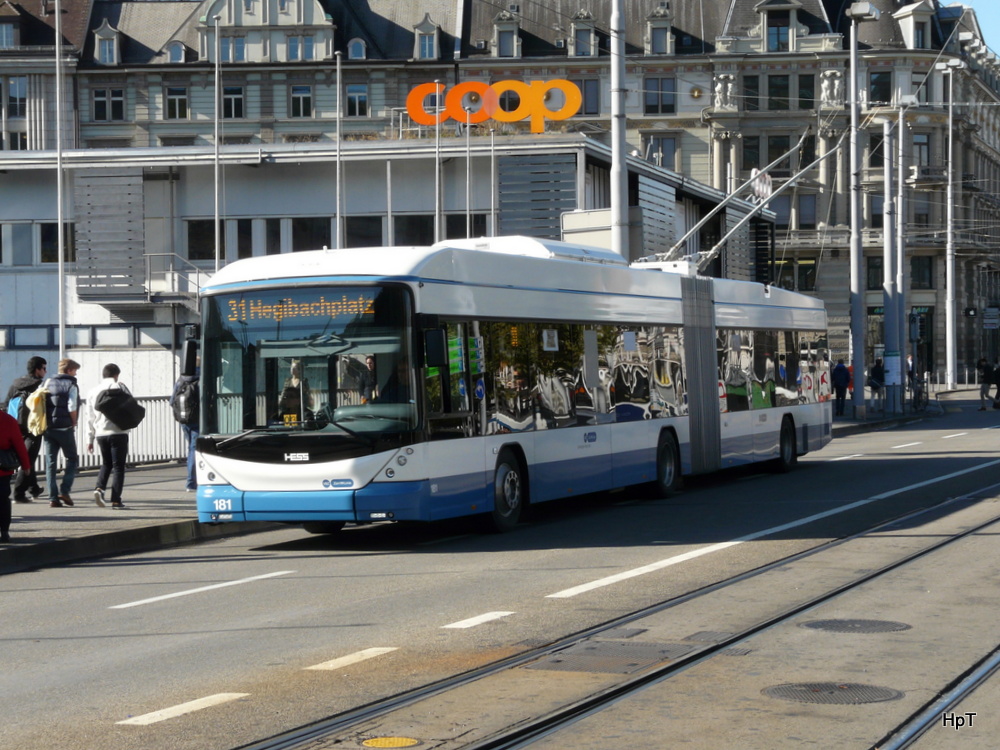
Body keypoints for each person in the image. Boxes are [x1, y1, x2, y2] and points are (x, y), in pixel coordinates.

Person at [86, 364, 132, 509]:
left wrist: (90, 439)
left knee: (106, 463)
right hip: (119, 432)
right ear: (117, 375)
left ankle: (99, 488)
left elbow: (90, 417)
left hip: (101, 433)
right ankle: (116, 500)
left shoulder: (93, 391)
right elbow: (132, 407)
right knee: (118, 467)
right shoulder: (120, 388)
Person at [4, 355, 46, 502]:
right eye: (44, 368)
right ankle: (19, 493)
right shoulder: (39, 386)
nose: (45, 372)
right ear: (37, 370)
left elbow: (6, 404)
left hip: (16, 426)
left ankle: (33, 488)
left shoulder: (16, 384)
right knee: (27, 458)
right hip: (32, 428)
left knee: (29, 457)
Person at [42, 359, 81, 508]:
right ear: (69, 370)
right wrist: (73, 421)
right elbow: (72, 406)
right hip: (64, 428)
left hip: (49, 428)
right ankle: (64, 490)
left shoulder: (48, 382)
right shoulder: (71, 384)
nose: (76, 373)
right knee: (72, 459)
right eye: (75, 370)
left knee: (50, 463)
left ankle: (53, 498)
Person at [0, 409, 30, 542]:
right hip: (2, 468)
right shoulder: (8, 420)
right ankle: (4, 531)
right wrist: (26, 465)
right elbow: (19, 444)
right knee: (3, 499)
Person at [170, 369, 200, 491]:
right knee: (194, 449)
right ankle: (191, 483)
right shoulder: (199, 380)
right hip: (198, 420)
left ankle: (191, 482)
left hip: (184, 420)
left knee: (191, 449)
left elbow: (172, 401)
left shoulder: (180, 381)